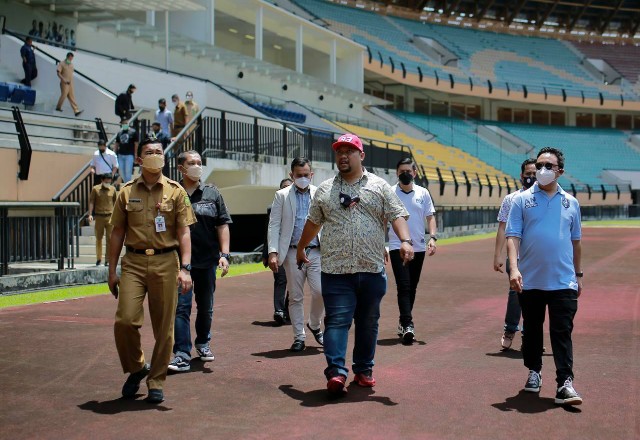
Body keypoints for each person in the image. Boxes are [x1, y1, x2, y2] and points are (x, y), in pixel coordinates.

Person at [296, 134, 414, 395]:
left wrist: (405, 240)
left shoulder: (380, 186)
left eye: (349, 151)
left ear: (361, 156)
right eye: (339, 151)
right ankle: (336, 372)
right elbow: (313, 222)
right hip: (336, 270)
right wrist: (302, 246)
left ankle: (363, 369)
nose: (343, 156)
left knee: (368, 322)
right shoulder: (326, 190)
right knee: (337, 321)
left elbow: (396, 215)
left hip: (371, 268)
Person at [108, 136, 196, 404]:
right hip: (133, 262)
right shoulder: (126, 192)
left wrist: (186, 268)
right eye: (149, 152)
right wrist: (112, 270)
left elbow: (184, 232)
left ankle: (156, 380)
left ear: (164, 157)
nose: (155, 155)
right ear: (139, 159)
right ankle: (137, 367)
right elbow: (117, 232)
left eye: (159, 152)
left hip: (166, 262)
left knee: (164, 327)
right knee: (125, 321)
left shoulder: (176, 191)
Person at [506, 147, 583, 406]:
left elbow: (576, 242)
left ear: (560, 171)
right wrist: (514, 269)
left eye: (549, 166)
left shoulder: (571, 203)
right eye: (540, 165)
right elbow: (513, 235)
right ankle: (534, 371)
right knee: (533, 330)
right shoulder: (521, 200)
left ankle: (564, 383)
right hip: (531, 280)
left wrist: (578, 274)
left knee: (562, 331)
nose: (542, 170)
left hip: (563, 280)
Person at [168, 150, 233, 372]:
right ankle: (182, 353)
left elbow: (222, 224)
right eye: (192, 163)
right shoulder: (172, 193)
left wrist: (224, 255)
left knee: (206, 307)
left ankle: (203, 342)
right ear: (181, 168)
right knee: (181, 308)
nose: (197, 166)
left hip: (207, 261)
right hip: (179, 264)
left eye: (199, 162)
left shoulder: (213, 193)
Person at [268, 158, 324, 352]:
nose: (302, 178)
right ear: (291, 175)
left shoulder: (320, 193)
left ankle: (315, 324)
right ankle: (299, 336)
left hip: (316, 251)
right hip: (291, 252)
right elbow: (274, 224)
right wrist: (273, 252)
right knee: (295, 297)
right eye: (298, 175)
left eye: (305, 175)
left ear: (312, 174)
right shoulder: (281, 196)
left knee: (320, 292)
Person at [388, 158, 437, 344]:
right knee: (404, 285)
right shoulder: (391, 193)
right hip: (396, 246)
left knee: (412, 286)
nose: (405, 174)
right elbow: (384, 219)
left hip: (418, 247)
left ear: (415, 173)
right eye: (402, 171)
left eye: (408, 171)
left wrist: (432, 237)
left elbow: (430, 217)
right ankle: (408, 324)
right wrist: (382, 244)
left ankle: (403, 321)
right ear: (397, 173)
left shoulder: (423, 193)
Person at [493, 158, 537, 350]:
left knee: (536, 294)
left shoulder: (544, 199)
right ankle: (510, 328)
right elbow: (502, 227)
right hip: (516, 254)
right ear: (521, 176)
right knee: (515, 292)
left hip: (537, 255)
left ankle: (531, 334)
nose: (531, 178)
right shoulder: (511, 199)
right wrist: (497, 255)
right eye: (528, 174)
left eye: (535, 174)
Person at [262, 178, 292, 326]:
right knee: (280, 280)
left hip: (293, 250)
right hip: (277, 251)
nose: (286, 189)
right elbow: (268, 232)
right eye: (284, 187)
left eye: (289, 187)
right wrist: (266, 253)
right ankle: (279, 311)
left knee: (294, 283)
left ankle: (288, 309)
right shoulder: (272, 208)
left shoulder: (299, 207)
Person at [88, 174, 117, 266]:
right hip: (99, 216)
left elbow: (115, 203)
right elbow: (92, 201)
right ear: (102, 180)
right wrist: (90, 214)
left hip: (110, 216)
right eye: (106, 181)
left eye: (109, 181)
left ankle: (107, 259)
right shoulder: (95, 189)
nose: (108, 183)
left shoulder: (113, 189)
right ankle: (99, 258)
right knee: (98, 238)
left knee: (109, 239)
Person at [55, 52, 82, 116]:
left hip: (70, 82)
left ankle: (76, 110)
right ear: (67, 57)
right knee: (64, 95)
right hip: (64, 82)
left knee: (71, 96)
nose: (70, 60)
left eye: (71, 59)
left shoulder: (71, 65)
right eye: (70, 58)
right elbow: (58, 73)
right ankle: (58, 107)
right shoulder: (62, 63)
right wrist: (63, 79)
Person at [114, 119, 137, 184]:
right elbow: (117, 143)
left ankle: (127, 185)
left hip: (129, 155)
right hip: (120, 155)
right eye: (123, 123)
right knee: (121, 171)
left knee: (128, 171)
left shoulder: (133, 132)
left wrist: (135, 154)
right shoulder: (119, 133)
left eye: (126, 123)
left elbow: (136, 144)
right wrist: (114, 153)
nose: (125, 124)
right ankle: (126, 183)